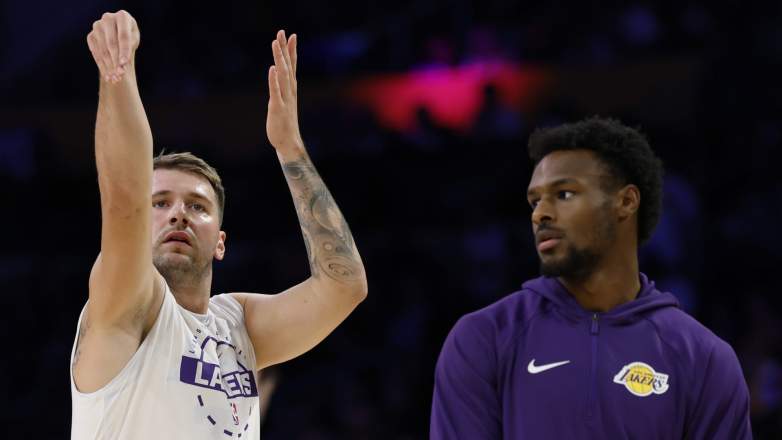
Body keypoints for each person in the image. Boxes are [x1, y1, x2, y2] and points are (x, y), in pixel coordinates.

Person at [70, 10, 368, 439]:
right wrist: (118, 75)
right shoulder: (127, 304)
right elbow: (122, 202)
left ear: (221, 242)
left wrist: (290, 149)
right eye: (160, 203)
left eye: (197, 206)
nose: (178, 214)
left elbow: (345, 286)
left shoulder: (239, 325)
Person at [430, 117, 752, 439]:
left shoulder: (705, 359)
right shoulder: (483, 339)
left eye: (564, 194)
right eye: (534, 200)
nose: (539, 213)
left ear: (626, 202)